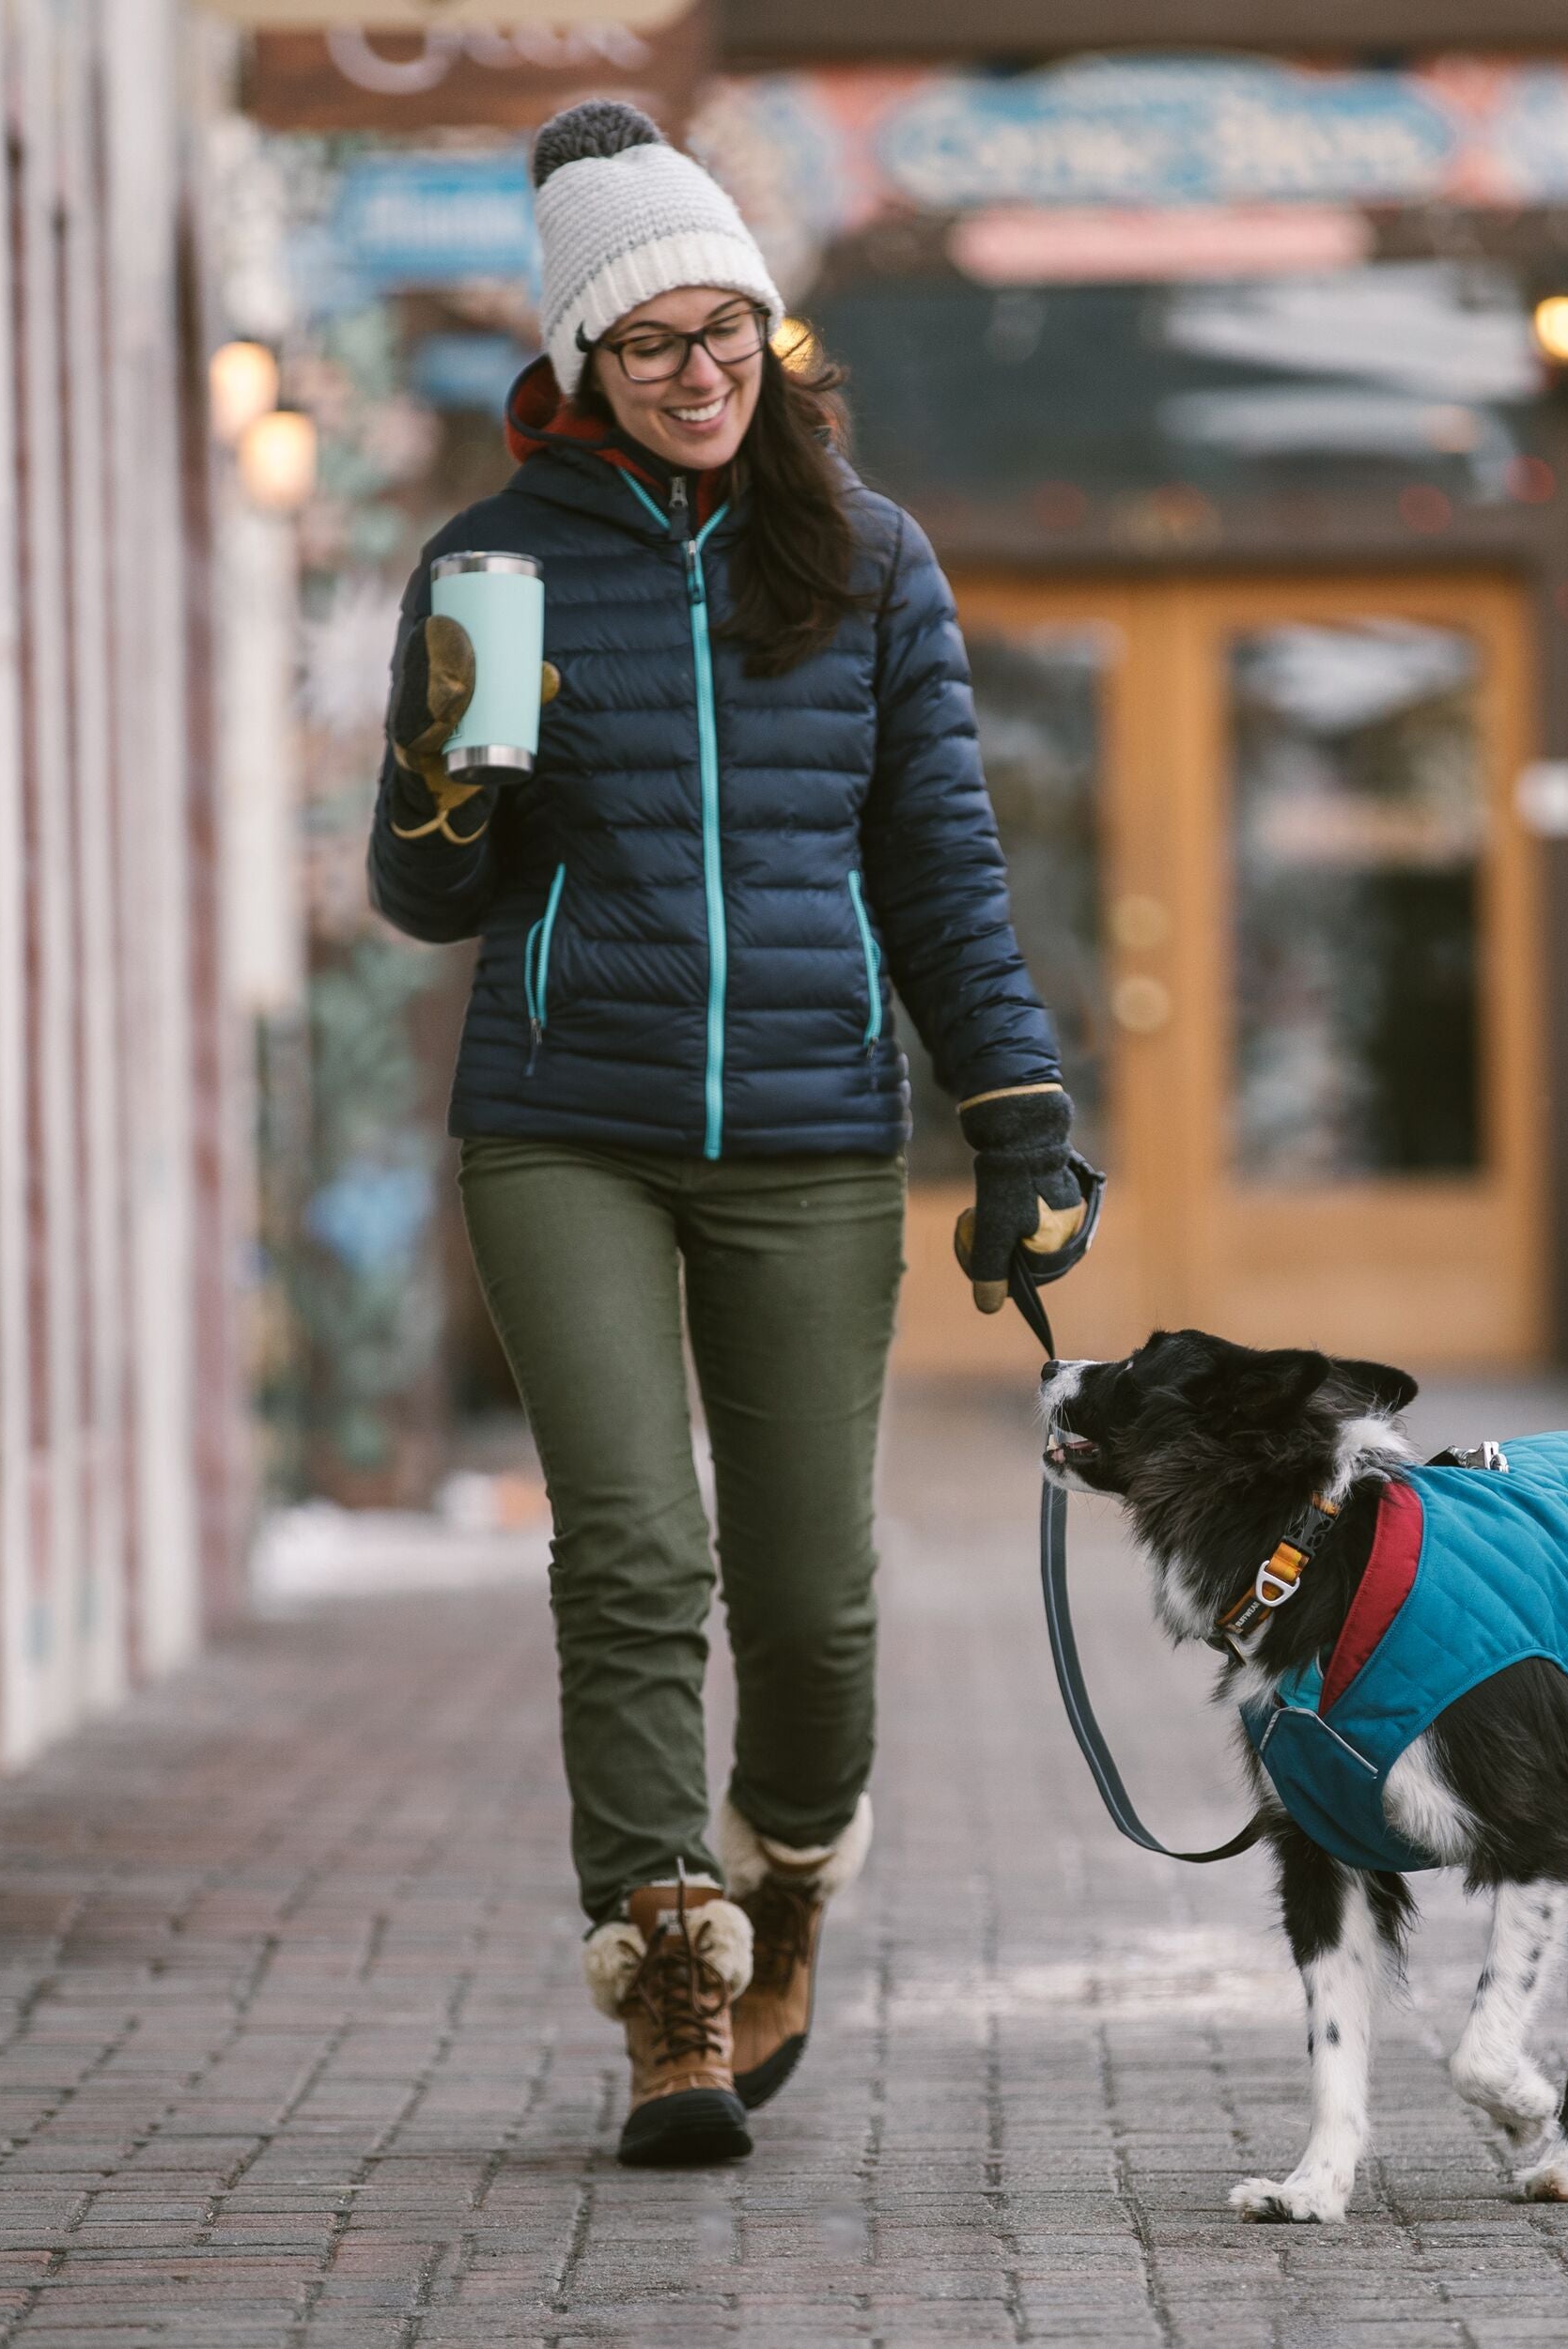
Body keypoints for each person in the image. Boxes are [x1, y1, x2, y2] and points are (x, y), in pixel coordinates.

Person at [365, 98, 1089, 2169]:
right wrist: (445, 772)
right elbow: (433, 897)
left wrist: (1019, 1112)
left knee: (806, 1596)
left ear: (773, 339)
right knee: (632, 1549)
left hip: (802, 1124)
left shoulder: (861, 557)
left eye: (727, 334)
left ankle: (785, 1886)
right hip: (560, 1119)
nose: (698, 375)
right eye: (652, 342)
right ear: (580, 368)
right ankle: (667, 1966)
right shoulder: (492, 562)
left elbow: (942, 859)